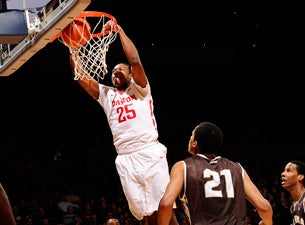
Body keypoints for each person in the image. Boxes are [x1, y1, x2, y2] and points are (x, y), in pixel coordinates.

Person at [69, 21, 178, 225]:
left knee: (165, 208)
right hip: (125, 158)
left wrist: (119, 30)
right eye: (112, 71)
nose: (115, 72)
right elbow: (81, 77)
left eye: (120, 70)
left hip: (149, 152)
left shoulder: (141, 90)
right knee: (145, 215)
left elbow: (135, 61)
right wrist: (72, 47)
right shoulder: (107, 94)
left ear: (130, 75)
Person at [158, 122, 273, 225]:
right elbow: (265, 207)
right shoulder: (237, 168)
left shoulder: (182, 167)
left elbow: (166, 204)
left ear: (195, 143)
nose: (190, 138)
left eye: (191, 136)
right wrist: (266, 222)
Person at [281, 160, 305, 225]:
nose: (282, 173)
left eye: (288, 171)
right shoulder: (293, 206)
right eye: (284, 170)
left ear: (300, 177)